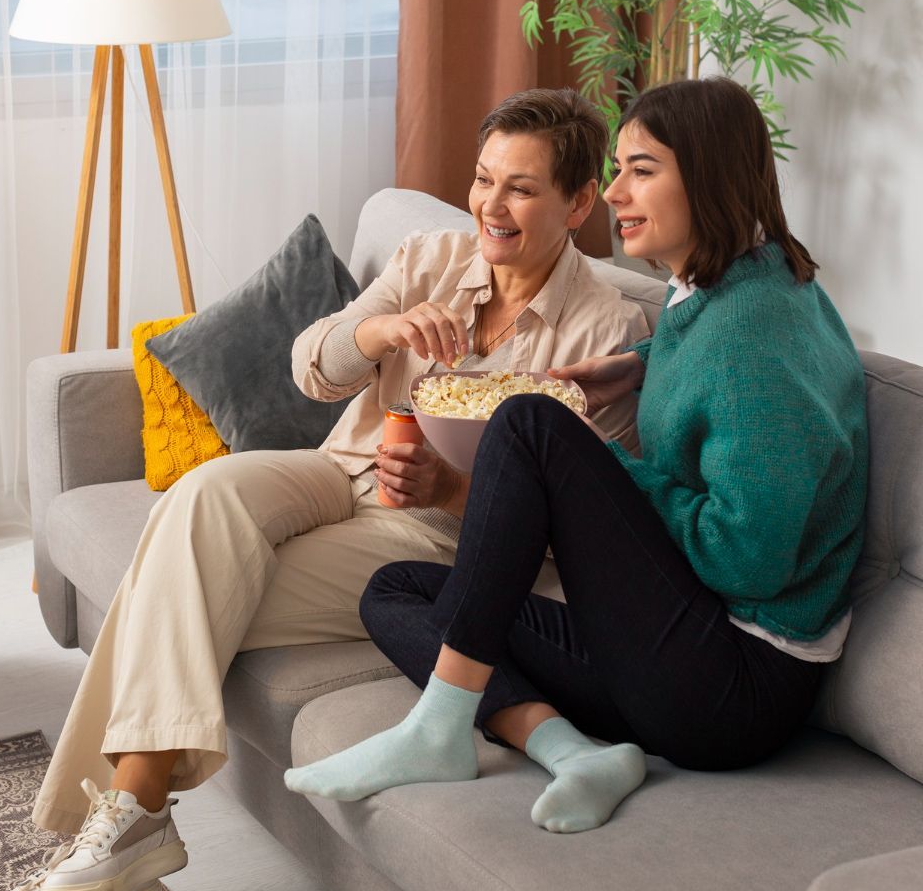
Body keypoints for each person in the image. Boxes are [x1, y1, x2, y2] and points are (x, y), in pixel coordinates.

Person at [0, 87, 648, 891]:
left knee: (189, 581)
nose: (492, 204)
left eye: (521, 188)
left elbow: (574, 522)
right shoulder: (432, 256)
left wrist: (449, 489)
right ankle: (131, 824)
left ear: (579, 202)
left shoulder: (606, 329)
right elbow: (312, 369)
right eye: (484, 180)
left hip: (435, 536)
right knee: (202, 497)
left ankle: (130, 817)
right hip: (334, 470)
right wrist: (383, 332)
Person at [284, 78, 869, 837]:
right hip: (679, 651)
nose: (617, 191)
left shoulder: (754, 338)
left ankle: (438, 729)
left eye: (642, 170)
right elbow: (712, 365)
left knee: (530, 421)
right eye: (619, 168)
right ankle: (572, 753)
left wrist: (601, 458)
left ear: (710, 174)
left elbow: (748, 561)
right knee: (397, 590)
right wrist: (638, 364)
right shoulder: (733, 283)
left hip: (733, 687)